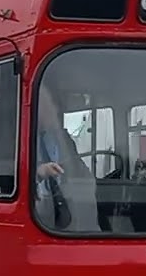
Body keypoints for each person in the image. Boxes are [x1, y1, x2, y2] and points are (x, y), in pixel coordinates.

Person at [34, 85, 100, 232]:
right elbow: (11, 176)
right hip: (36, 212)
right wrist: (39, 173)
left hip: (69, 204)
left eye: (54, 105)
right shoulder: (19, 138)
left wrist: (88, 180)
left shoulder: (63, 138)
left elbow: (79, 167)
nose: (54, 110)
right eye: (48, 105)